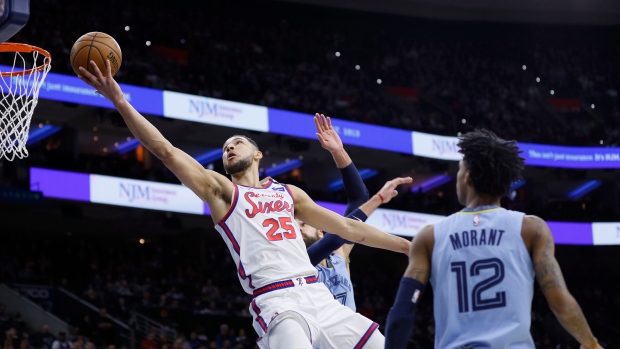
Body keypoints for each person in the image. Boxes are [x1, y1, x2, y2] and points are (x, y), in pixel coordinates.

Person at [78, 60, 410, 349]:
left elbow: (349, 227)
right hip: (278, 300)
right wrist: (120, 100)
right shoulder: (223, 192)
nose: (229, 149)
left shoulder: (289, 193)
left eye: (237, 143)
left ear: (258, 154)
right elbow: (165, 150)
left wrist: (407, 247)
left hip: (319, 295)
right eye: (225, 148)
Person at [384, 129, 604, 349]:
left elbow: (403, 311)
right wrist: (590, 342)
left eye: (460, 169)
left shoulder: (430, 237)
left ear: (468, 176)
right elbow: (559, 300)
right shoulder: (531, 229)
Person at [300, 114, 411, 313]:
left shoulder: (339, 256)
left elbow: (358, 198)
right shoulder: (300, 261)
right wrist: (404, 246)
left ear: (320, 232)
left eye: (302, 224)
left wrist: (339, 151)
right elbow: (342, 233)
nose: (297, 228)